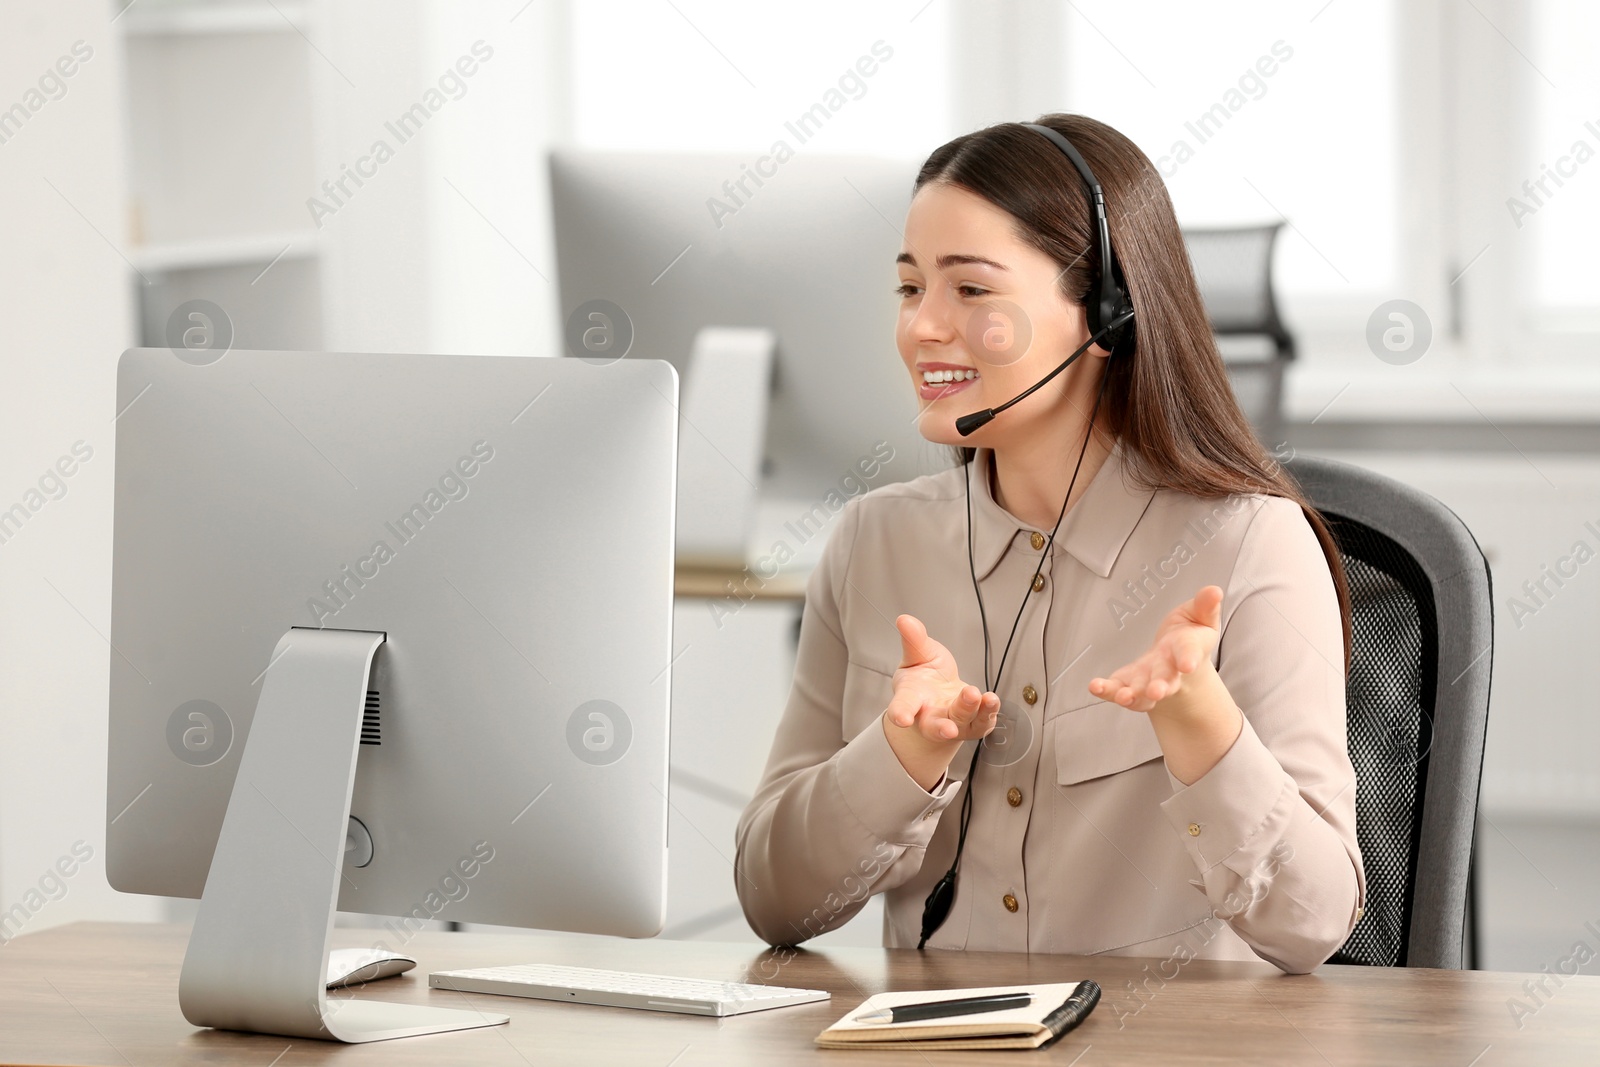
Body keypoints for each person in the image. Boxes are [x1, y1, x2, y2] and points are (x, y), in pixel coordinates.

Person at [733, 113, 1366, 975]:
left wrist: (1204, 727)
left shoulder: (1250, 543)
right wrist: (898, 759)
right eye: (912, 288)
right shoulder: (871, 543)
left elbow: (1314, 925)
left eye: (972, 290)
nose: (923, 328)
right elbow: (773, 902)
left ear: (1105, 315)